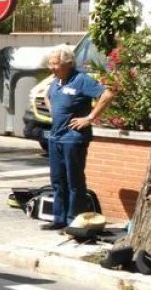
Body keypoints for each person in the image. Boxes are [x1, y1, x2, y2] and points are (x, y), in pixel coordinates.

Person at [42, 43, 115, 231]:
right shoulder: (56, 81)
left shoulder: (81, 79)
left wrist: (89, 118)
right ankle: (59, 218)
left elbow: (107, 95)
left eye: (54, 64)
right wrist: (55, 113)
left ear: (67, 63)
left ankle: (74, 221)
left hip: (73, 138)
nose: (51, 67)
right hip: (55, 138)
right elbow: (47, 96)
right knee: (58, 180)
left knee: (74, 181)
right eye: (50, 63)